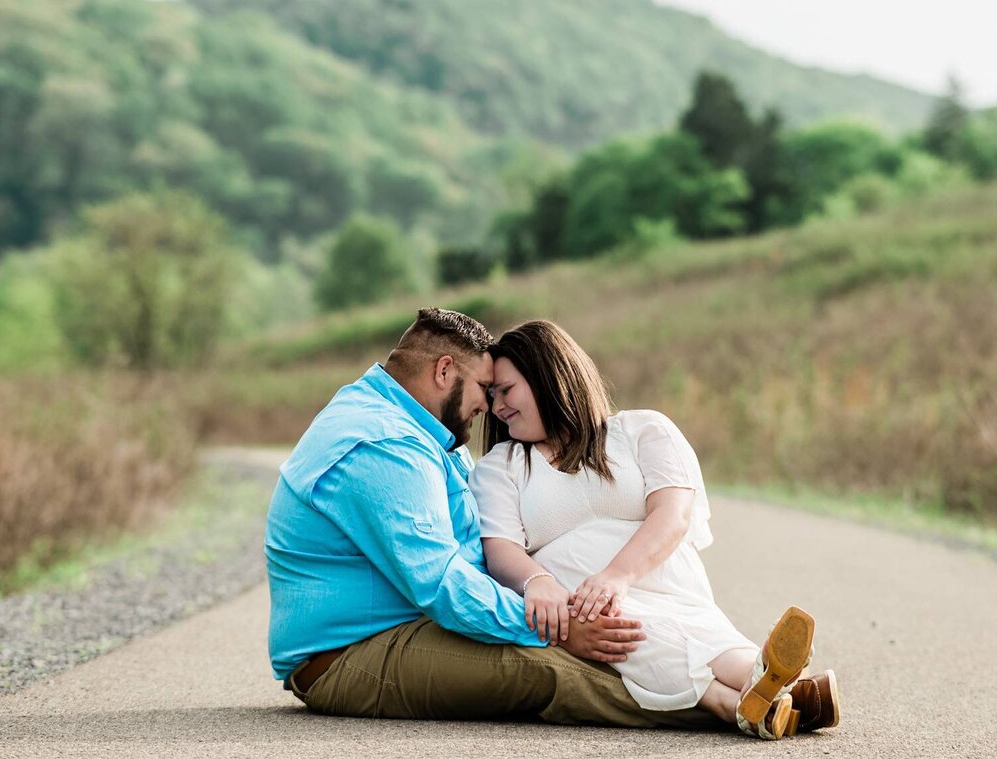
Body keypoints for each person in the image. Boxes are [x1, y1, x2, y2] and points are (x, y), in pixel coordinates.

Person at [266, 308, 720, 728]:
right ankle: (726, 708)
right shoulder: (382, 443)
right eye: (485, 390)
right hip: (351, 654)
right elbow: (441, 583)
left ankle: (748, 684)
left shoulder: (416, 431)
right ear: (444, 371)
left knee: (578, 642)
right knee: (543, 667)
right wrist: (556, 624)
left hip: (408, 624)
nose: (489, 408)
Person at [469, 320, 841, 739]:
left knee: (694, 630)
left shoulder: (642, 430)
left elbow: (673, 513)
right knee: (629, 632)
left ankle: (755, 693)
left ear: (547, 374)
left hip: (660, 583)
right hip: (582, 604)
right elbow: (500, 548)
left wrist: (617, 576)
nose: (496, 407)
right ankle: (770, 686)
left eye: (506, 390)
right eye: (491, 396)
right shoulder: (500, 467)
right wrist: (537, 580)